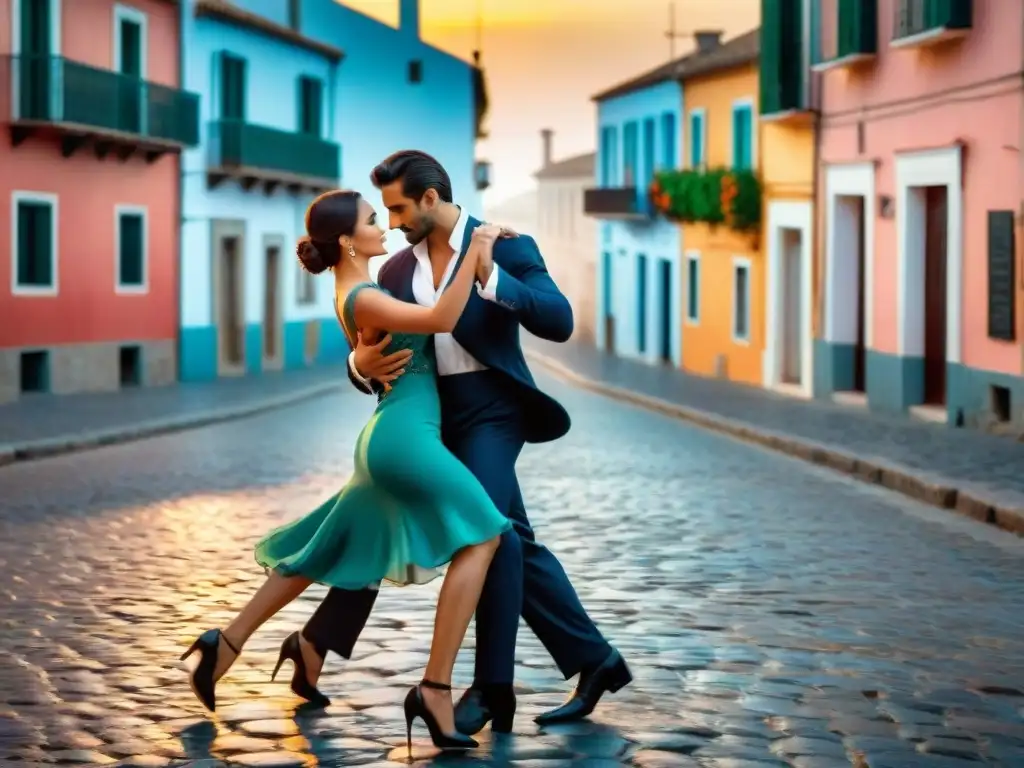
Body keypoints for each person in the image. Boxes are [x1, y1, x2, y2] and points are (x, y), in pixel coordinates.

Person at [285, 150, 631, 733]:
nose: (391, 223)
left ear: (429, 197)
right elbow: (377, 347)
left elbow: (559, 319)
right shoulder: (393, 273)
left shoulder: (506, 245)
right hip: (429, 420)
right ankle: (594, 660)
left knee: (488, 535)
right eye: (383, 212)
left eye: (397, 208)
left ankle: (492, 688)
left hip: (493, 413)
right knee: (460, 529)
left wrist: (492, 278)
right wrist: (357, 362)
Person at [180, 189, 514, 755]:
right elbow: (440, 317)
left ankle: (227, 644)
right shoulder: (362, 294)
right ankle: (434, 689)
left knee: (320, 550)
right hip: (405, 439)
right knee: (483, 535)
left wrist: (358, 360)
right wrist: (477, 245)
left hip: (391, 434)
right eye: (369, 221)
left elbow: (374, 347)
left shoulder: (358, 291)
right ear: (346, 241)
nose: (381, 225)